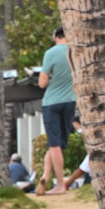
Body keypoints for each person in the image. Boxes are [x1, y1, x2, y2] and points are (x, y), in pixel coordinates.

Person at [37, 26, 77, 194]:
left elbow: (42, 83)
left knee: (54, 145)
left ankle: (60, 185)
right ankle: (46, 174)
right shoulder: (76, 52)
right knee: (59, 144)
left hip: (51, 103)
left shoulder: (50, 53)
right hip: (70, 102)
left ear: (56, 37)